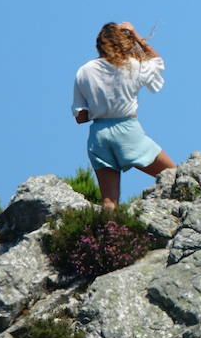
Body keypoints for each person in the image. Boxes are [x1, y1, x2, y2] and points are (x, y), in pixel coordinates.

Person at [71, 22, 176, 208]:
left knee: (109, 201)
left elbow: (80, 117)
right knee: (176, 175)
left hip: (99, 135)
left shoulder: (84, 71)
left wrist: (100, 109)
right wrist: (136, 34)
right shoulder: (132, 66)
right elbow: (157, 61)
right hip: (127, 130)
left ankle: (108, 236)